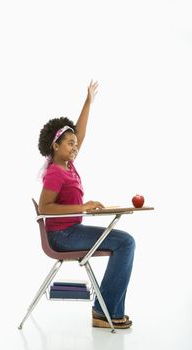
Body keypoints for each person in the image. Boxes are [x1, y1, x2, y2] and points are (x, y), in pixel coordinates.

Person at [38, 80, 135, 329]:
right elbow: (44, 208)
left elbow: (79, 133)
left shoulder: (67, 164)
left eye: (75, 144)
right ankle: (105, 312)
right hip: (62, 236)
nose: (75, 146)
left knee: (124, 242)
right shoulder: (55, 172)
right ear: (55, 146)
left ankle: (106, 310)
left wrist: (88, 101)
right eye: (70, 144)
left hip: (70, 232)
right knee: (125, 242)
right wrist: (83, 207)